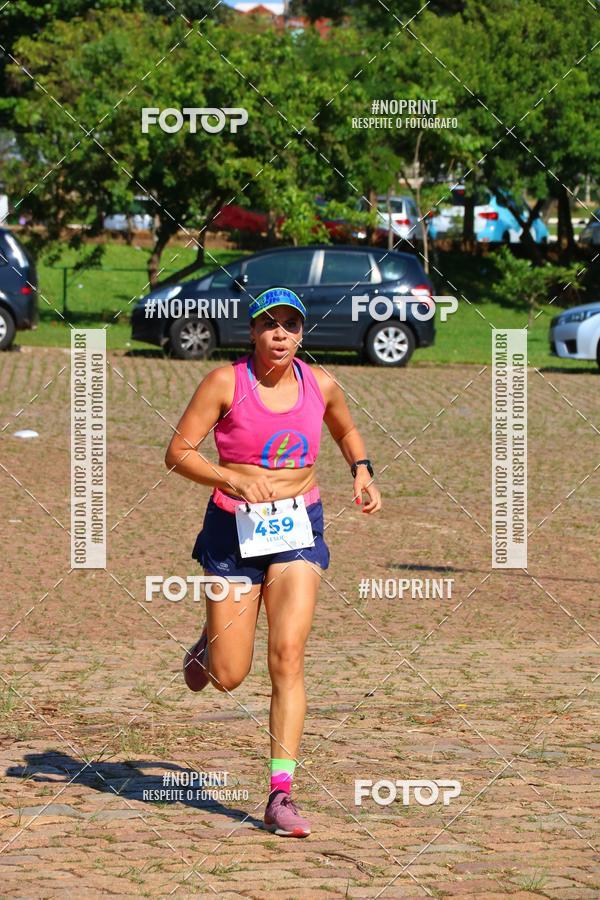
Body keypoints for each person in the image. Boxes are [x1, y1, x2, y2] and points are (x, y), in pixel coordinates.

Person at [165, 286, 381, 838]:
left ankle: (280, 794)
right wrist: (230, 477)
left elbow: (345, 428)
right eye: (269, 324)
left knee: (287, 656)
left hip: (297, 527)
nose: (280, 335)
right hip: (233, 529)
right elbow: (178, 453)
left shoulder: (321, 384)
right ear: (253, 331)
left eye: (291, 325)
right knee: (228, 676)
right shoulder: (224, 383)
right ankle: (210, 643)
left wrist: (361, 468)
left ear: (302, 334)